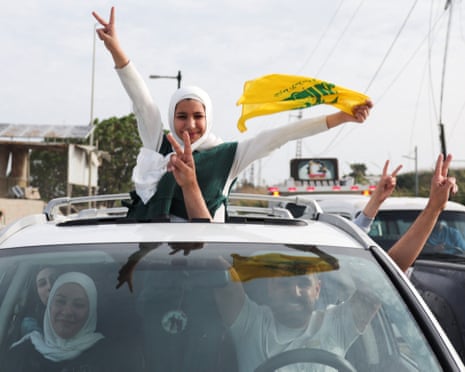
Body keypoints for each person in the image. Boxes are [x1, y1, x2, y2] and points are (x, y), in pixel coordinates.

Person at [92, 6, 373, 222]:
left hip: (208, 268)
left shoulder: (229, 156)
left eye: (198, 116)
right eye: (182, 116)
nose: (190, 124)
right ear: (171, 117)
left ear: (208, 117)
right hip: (153, 260)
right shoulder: (158, 143)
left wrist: (342, 117)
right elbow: (141, 100)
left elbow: (284, 135)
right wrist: (115, 48)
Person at [212, 153, 457, 371]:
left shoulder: (334, 324)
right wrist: (192, 186)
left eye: (303, 284)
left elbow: (392, 271)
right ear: (268, 289)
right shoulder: (250, 324)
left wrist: (434, 208)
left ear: (317, 289)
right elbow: (213, 259)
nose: (295, 292)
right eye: (283, 284)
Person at [4, 272, 125, 372]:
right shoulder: (20, 352)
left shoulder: (110, 357)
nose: (67, 312)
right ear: (50, 306)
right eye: (60, 302)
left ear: (91, 312)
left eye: (78, 305)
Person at [20, 266, 59, 336]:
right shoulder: (30, 325)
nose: (49, 286)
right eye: (42, 283)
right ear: (37, 293)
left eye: (54, 279)